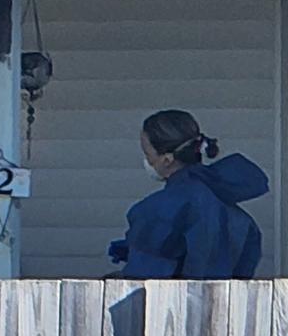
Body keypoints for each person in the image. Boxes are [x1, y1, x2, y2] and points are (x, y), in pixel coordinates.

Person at [108, 110, 268, 279]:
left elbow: (143, 280)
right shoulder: (235, 212)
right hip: (231, 303)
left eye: (148, 154)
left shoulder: (158, 210)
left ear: (167, 159)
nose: (147, 161)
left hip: (176, 303)